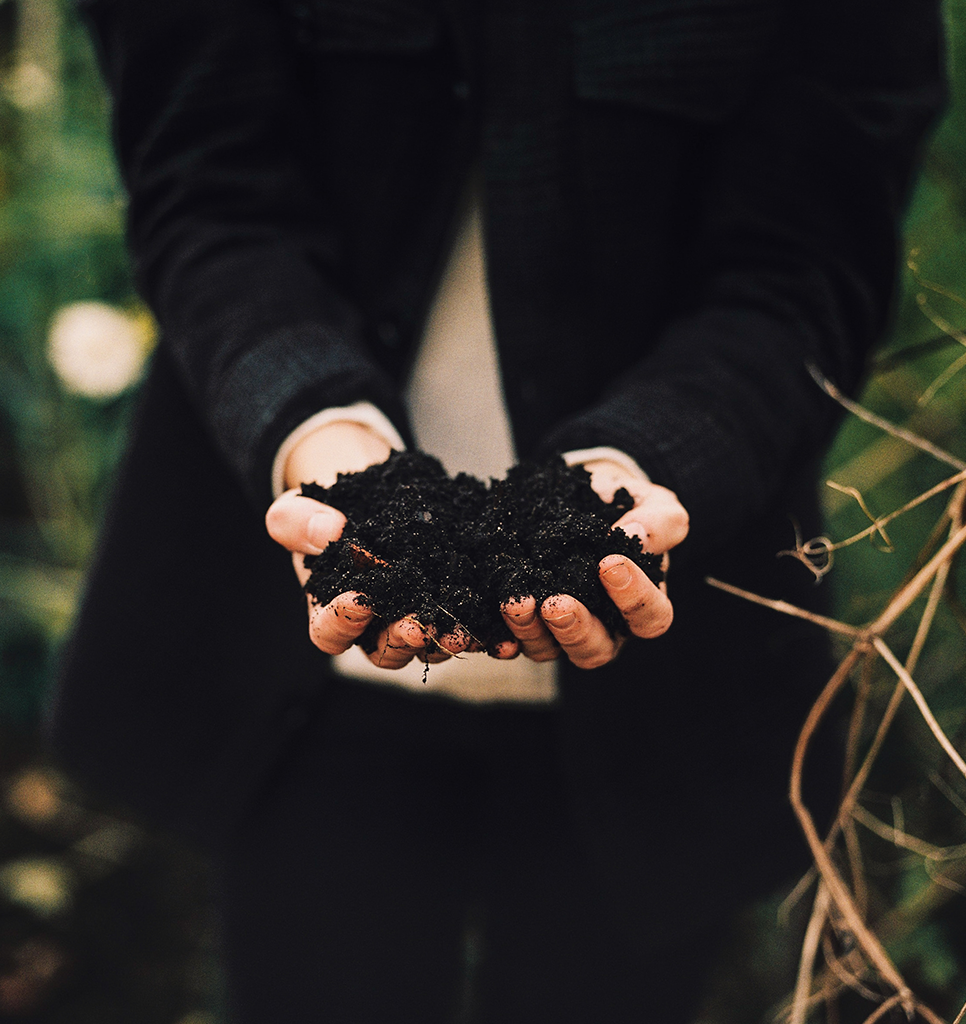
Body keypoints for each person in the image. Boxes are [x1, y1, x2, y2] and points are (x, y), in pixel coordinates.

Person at [48, 0, 944, 1020]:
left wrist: (646, 461)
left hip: (668, 681)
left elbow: (804, 264)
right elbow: (207, 188)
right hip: (298, 669)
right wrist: (313, 427)